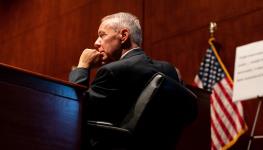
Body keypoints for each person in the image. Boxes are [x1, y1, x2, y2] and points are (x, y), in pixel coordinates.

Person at [69, 12, 196, 149]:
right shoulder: (169, 70)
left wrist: (82, 66)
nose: (96, 42)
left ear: (123, 36)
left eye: (102, 35)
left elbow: (75, 108)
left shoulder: (112, 71)